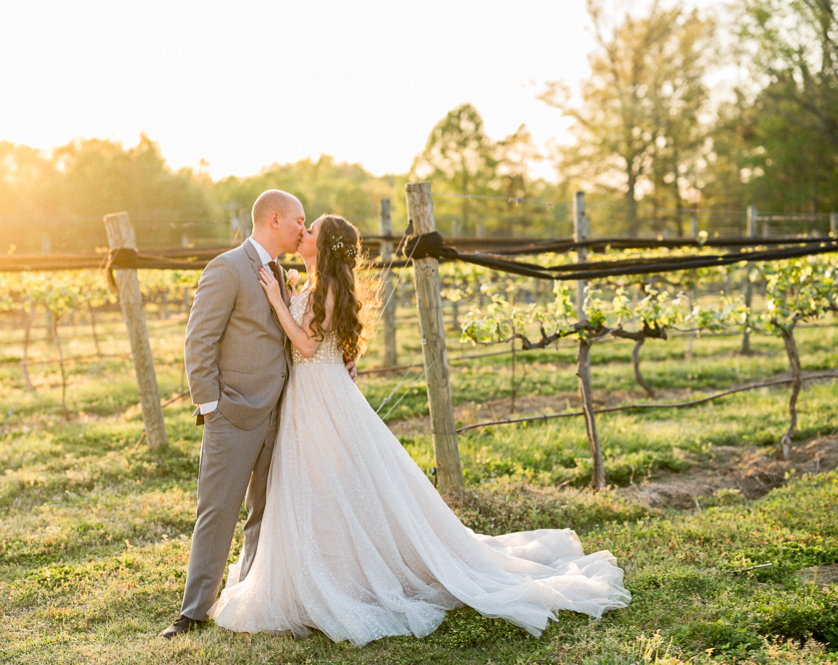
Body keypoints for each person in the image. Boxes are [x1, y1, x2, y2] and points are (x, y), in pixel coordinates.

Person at [206, 214, 631, 647]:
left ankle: (343, 574)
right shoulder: (316, 285)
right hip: (312, 393)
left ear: (326, 244)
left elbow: (310, 345)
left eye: (311, 229)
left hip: (322, 396)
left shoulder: (326, 288)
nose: (304, 232)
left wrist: (279, 301)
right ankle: (322, 567)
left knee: (335, 483)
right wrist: (293, 298)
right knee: (316, 484)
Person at [162, 191, 354, 639]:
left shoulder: (284, 276)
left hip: (283, 414)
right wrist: (212, 406)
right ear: (274, 219)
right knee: (218, 510)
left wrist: (343, 357)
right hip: (233, 414)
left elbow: (305, 334)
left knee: (264, 513)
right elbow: (199, 341)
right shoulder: (227, 268)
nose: (303, 229)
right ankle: (193, 611)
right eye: (299, 220)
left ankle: (248, 593)